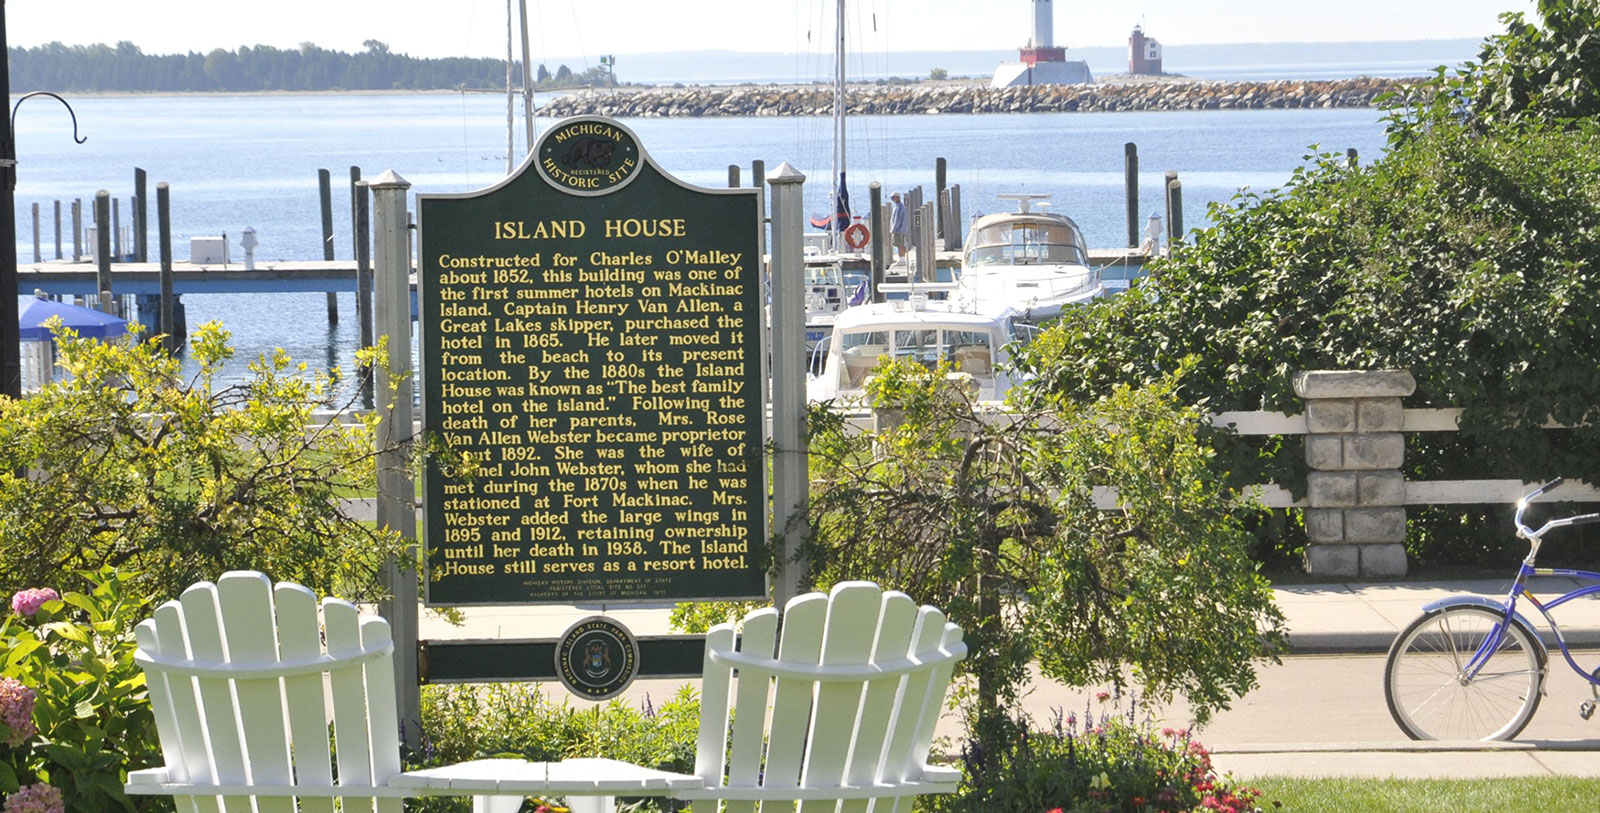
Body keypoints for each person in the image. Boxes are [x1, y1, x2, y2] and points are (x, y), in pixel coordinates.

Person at [889, 192, 909, 262]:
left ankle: (902, 259)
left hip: (899, 230)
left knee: (899, 244)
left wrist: (893, 229)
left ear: (897, 197)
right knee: (900, 244)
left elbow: (897, 219)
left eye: (893, 197)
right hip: (901, 229)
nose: (892, 199)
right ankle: (902, 258)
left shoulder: (899, 207)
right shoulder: (899, 206)